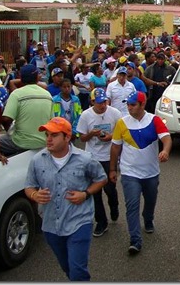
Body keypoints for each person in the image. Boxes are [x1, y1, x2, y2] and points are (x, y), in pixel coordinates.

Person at [24, 117, 107, 281]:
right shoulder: (37, 161)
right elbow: (29, 186)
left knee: (77, 270)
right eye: (47, 135)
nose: (48, 139)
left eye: (54, 135)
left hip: (79, 221)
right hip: (50, 225)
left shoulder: (85, 159)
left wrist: (85, 194)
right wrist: (34, 194)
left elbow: (101, 179)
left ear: (67, 137)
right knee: (67, 267)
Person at [109, 91, 172, 255]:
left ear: (142, 105)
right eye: (128, 104)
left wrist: (165, 151)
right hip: (130, 172)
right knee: (132, 206)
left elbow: (166, 138)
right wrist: (112, 169)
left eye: (133, 104)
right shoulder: (122, 123)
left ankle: (148, 218)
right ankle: (135, 240)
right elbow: (115, 147)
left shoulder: (154, 120)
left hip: (151, 173)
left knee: (150, 201)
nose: (129, 108)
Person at [77, 88, 122, 237]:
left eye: (104, 102)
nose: (103, 105)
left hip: (109, 157)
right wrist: (92, 134)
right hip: (92, 157)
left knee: (110, 189)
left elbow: (121, 132)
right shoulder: (86, 115)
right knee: (94, 192)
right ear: (92, 102)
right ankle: (101, 222)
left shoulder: (114, 113)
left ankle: (114, 206)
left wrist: (110, 137)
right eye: (99, 102)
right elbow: (82, 138)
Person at [0, 64, 53, 159]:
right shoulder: (48, 95)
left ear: (21, 78)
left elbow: (6, 119)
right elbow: (52, 121)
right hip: (43, 142)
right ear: (37, 77)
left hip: (21, 143)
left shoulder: (16, 94)